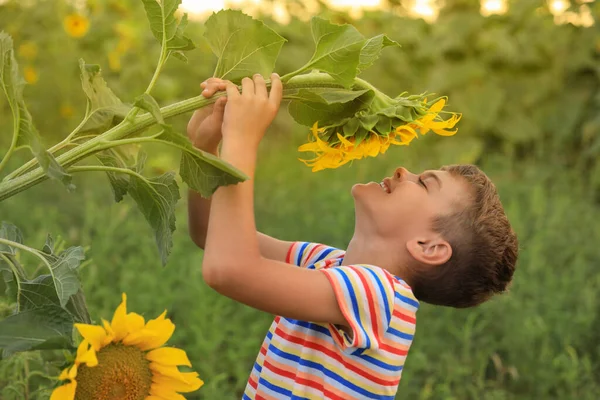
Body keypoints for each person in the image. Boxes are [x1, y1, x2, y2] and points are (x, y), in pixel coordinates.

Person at [187, 75, 519, 400]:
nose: (404, 170)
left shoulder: (381, 296)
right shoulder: (326, 263)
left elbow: (228, 270)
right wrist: (204, 148)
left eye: (424, 183)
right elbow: (209, 234)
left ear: (428, 247)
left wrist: (241, 142)